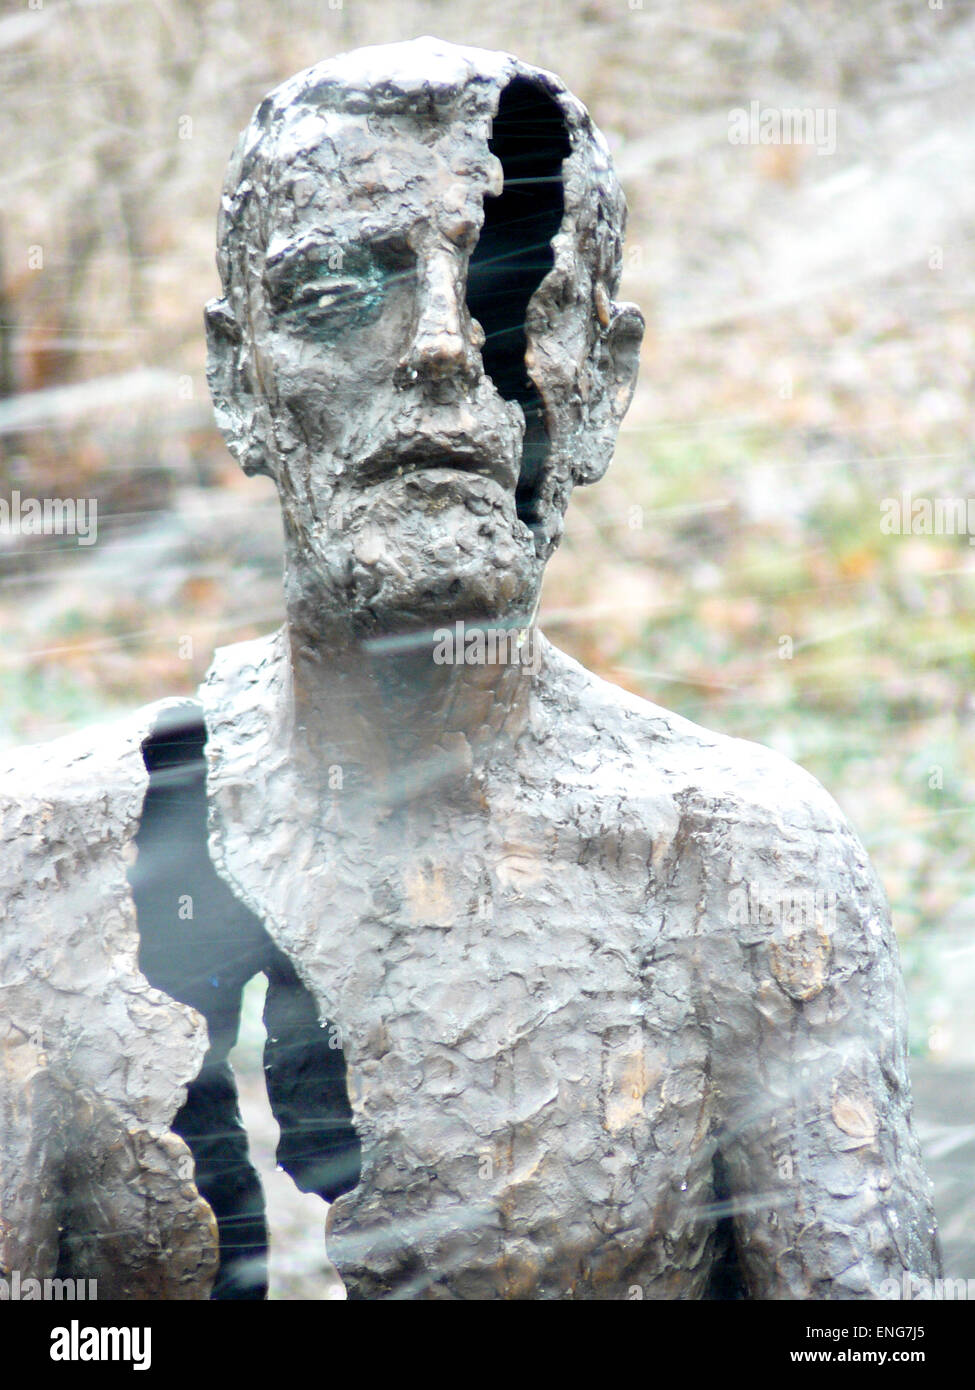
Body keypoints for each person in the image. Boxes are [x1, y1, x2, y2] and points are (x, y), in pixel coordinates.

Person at [0, 37, 940, 1300]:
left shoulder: (748, 868)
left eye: (507, 300)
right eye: (339, 292)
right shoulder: (50, 865)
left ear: (601, 383)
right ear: (241, 383)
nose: (444, 349)